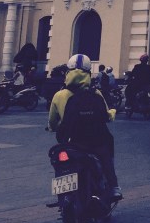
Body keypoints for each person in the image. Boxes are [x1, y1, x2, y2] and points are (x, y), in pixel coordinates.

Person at [47, 54, 121, 201]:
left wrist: (53, 127)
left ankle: (63, 195)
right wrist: (112, 113)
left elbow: (52, 121)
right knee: (106, 156)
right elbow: (106, 116)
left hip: (70, 141)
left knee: (61, 163)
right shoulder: (96, 93)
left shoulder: (59, 95)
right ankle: (113, 187)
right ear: (88, 74)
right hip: (95, 141)